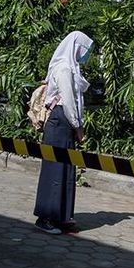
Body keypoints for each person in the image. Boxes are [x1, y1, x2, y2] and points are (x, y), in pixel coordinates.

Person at [33, 31, 94, 235]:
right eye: (84, 51)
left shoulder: (72, 69)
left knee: (66, 169)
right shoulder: (64, 69)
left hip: (65, 123)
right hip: (60, 120)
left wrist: (77, 124)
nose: (85, 55)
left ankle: (61, 216)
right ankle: (45, 217)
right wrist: (78, 127)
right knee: (55, 169)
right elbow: (68, 102)